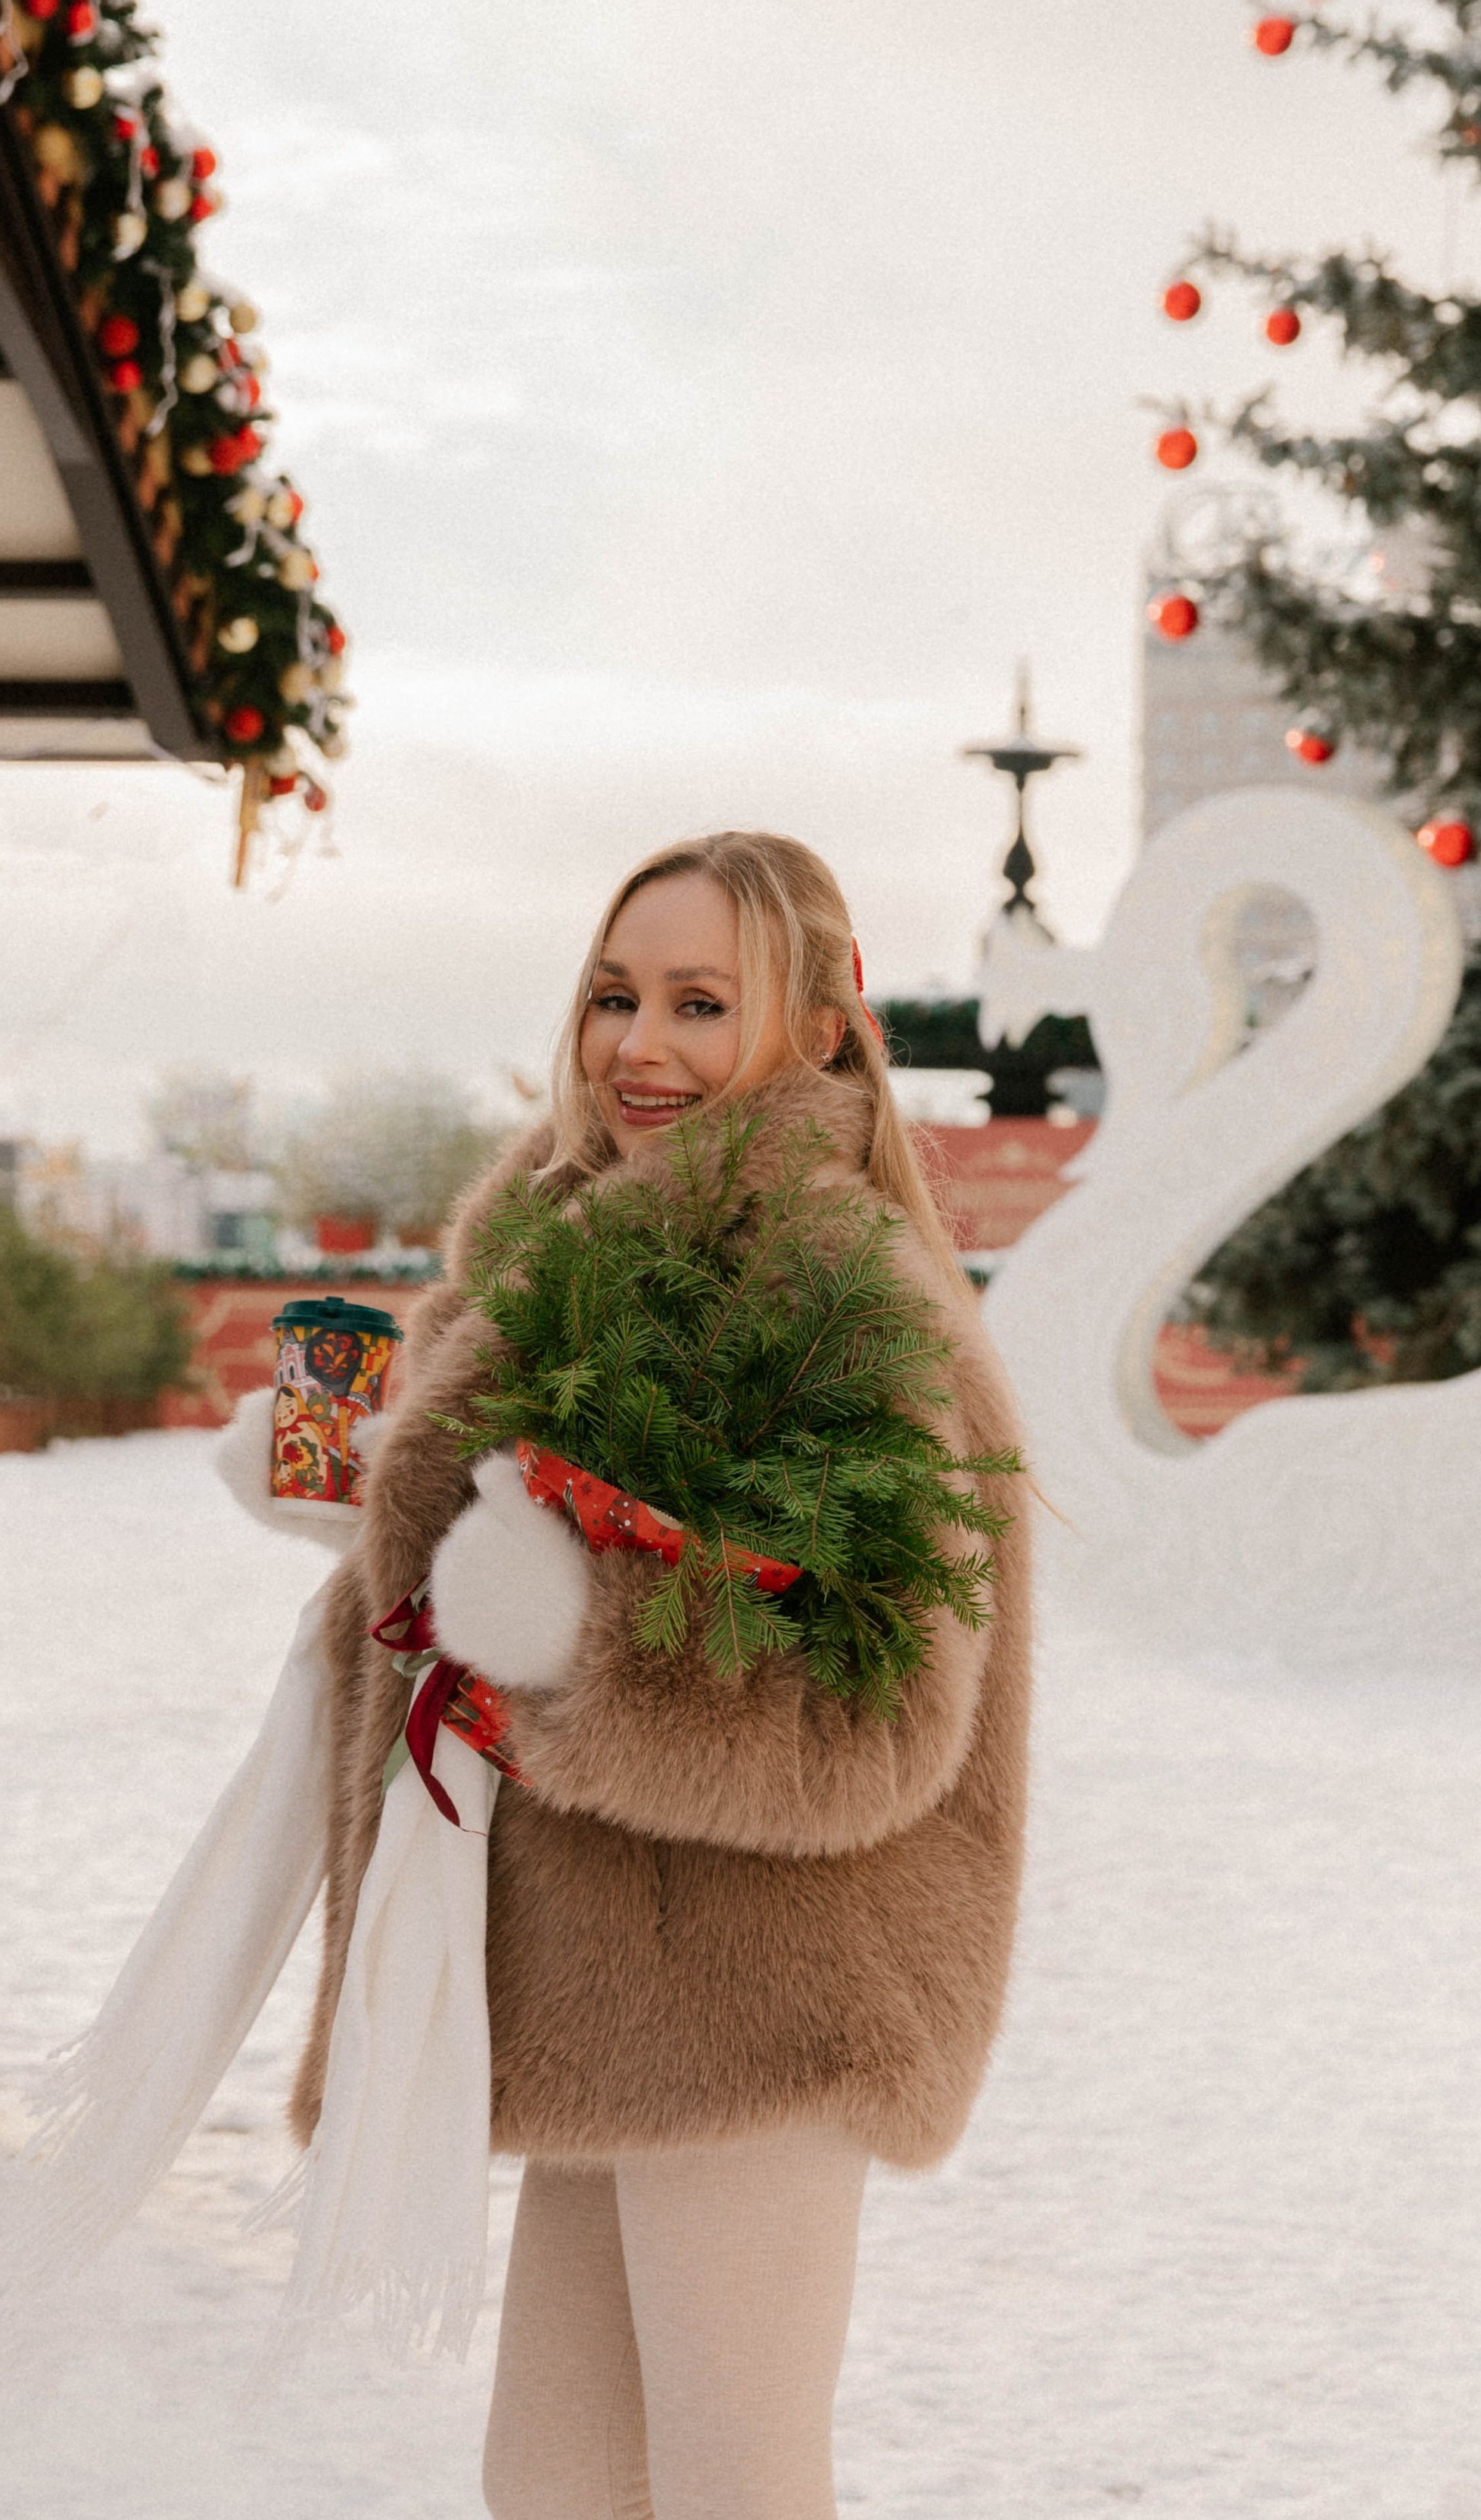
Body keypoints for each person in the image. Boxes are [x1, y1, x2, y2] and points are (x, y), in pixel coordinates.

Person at [290, 828, 1032, 2520]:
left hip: (773, 2000)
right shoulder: (577, 1257)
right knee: (550, 2487)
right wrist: (357, 1531)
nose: (640, 1045)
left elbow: (880, 1712)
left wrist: (576, 1646)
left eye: (703, 1003)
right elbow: (494, 1557)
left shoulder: (825, 1285)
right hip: (607, 1993)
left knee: (732, 2488)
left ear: (822, 1030)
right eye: (616, 995)